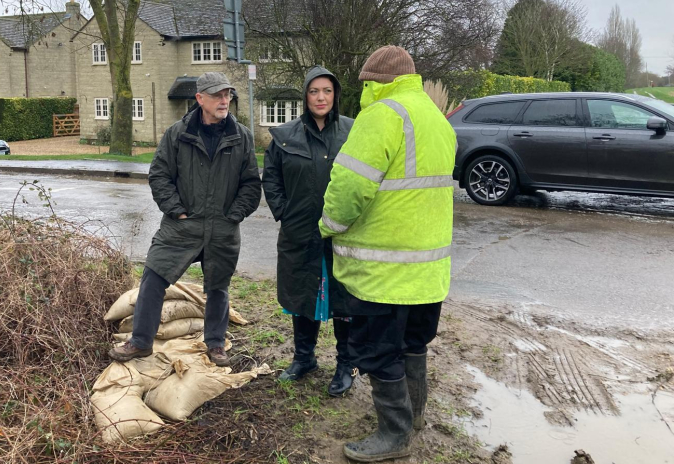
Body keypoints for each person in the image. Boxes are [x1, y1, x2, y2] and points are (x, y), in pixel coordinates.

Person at [318, 46, 457, 461]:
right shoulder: (434, 117)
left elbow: (349, 187)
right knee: (415, 343)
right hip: (428, 271)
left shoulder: (381, 115)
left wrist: (328, 225)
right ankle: (413, 418)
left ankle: (394, 437)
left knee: (380, 353)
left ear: (373, 82)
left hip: (383, 274)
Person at [109, 72, 262, 367]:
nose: (223, 100)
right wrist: (175, 209)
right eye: (217, 95)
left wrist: (235, 214)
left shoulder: (241, 136)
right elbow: (160, 174)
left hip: (222, 226)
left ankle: (216, 344)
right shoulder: (177, 134)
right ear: (200, 99)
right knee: (153, 276)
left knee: (218, 285)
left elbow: (251, 184)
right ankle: (140, 341)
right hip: (181, 224)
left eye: (227, 94)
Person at [262, 66, 356, 397]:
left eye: (327, 91)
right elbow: (270, 175)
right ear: (305, 96)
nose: (320, 97)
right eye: (314, 91)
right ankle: (305, 358)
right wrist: (285, 212)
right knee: (302, 296)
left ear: (336, 95)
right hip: (299, 233)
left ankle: (348, 365)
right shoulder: (285, 135)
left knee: (345, 300)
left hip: (343, 235)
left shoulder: (353, 132)